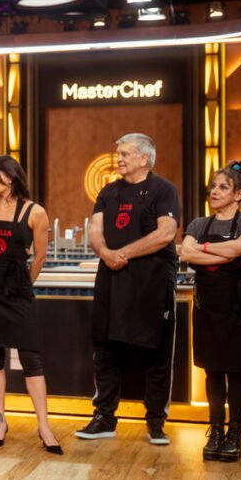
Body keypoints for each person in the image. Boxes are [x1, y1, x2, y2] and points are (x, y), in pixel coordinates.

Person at [75, 133, 181, 445]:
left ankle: (156, 421)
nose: (118, 159)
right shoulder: (108, 192)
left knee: (156, 354)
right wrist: (106, 254)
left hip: (152, 284)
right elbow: (95, 231)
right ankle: (104, 418)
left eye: (125, 154)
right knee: (106, 352)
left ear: (144, 158)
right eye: (118, 153)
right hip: (111, 280)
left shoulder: (164, 190)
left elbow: (166, 233)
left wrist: (123, 254)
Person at [0, 156, 60, 454]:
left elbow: (40, 256)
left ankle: (44, 426)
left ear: (9, 177)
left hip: (18, 291)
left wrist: (23, 286)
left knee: (31, 358)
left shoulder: (36, 212)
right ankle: (0, 421)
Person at [179, 161, 241, 462]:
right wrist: (223, 250)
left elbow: (239, 249)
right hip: (209, 304)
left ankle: (234, 432)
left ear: (238, 194)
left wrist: (203, 249)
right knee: (212, 368)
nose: (214, 191)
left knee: (236, 369)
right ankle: (215, 430)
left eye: (223, 187)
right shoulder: (198, 224)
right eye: (213, 186)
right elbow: (185, 252)